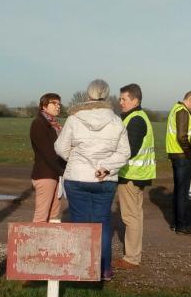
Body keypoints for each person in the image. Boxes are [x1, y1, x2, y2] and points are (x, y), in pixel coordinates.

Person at [55, 79, 131, 281]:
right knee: (102, 224)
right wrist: (105, 167)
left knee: (79, 223)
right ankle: (104, 269)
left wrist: (75, 159)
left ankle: (82, 269)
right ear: (106, 95)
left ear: (88, 95)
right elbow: (125, 153)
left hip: (77, 178)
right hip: (105, 180)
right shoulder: (116, 121)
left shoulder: (74, 119)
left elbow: (60, 147)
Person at [114, 84, 155, 270]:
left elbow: (129, 149)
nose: (120, 102)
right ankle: (133, 255)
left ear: (135, 100)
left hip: (131, 175)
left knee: (130, 217)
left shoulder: (136, 119)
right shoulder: (135, 116)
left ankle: (131, 258)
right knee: (135, 216)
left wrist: (109, 163)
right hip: (136, 175)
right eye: (120, 98)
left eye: (124, 99)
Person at [165, 90, 191, 234]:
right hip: (182, 156)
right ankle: (182, 225)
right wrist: (190, 153)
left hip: (175, 154)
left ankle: (176, 223)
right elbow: (182, 137)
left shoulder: (175, 108)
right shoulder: (183, 112)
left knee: (178, 191)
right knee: (182, 192)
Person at [30, 92, 66, 223]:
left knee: (54, 215)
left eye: (59, 104)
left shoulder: (54, 124)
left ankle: (51, 243)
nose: (58, 106)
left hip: (55, 174)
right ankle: (35, 243)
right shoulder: (39, 123)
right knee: (41, 217)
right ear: (44, 106)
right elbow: (48, 153)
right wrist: (63, 171)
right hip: (45, 174)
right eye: (54, 103)